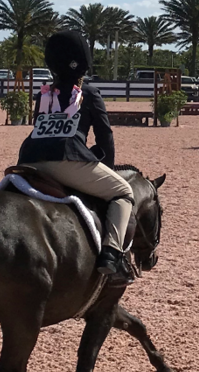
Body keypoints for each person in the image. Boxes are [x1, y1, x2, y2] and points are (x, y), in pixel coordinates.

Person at [17, 31, 134, 285]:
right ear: (83, 64)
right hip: (68, 160)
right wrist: (108, 168)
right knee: (123, 193)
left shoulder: (44, 95)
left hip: (29, 161)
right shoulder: (89, 94)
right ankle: (111, 256)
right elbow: (106, 139)